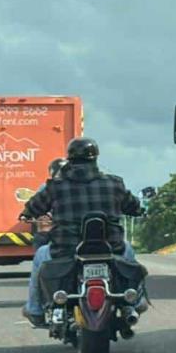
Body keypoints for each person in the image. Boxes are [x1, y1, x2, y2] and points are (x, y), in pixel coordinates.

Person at [20, 138, 144, 327]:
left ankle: (35, 309)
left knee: (40, 255)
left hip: (66, 249)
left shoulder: (56, 186)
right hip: (111, 248)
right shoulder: (114, 183)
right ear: (95, 158)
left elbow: (34, 207)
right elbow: (134, 206)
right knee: (129, 254)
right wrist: (137, 210)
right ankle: (135, 301)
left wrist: (27, 214)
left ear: (70, 159)